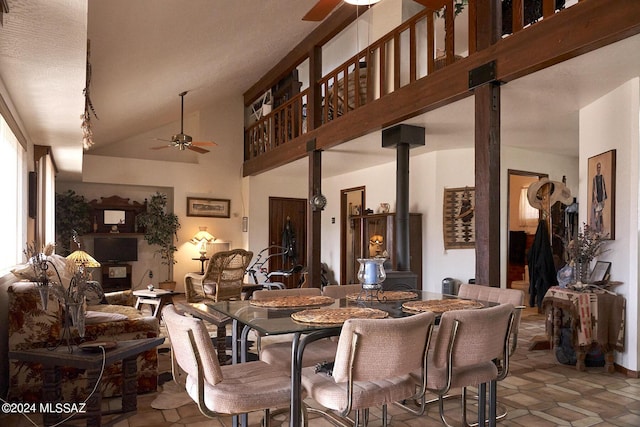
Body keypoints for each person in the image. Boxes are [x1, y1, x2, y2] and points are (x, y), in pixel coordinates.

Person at [591, 162, 607, 233]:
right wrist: (595, 199)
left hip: (601, 198)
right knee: (597, 213)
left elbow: (604, 188)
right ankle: (597, 228)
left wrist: (603, 198)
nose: (598, 169)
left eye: (599, 167)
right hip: (597, 199)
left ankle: (600, 228)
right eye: (598, 167)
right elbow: (594, 189)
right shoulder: (595, 178)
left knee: (600, 213)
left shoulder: (602, 177)